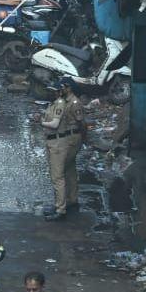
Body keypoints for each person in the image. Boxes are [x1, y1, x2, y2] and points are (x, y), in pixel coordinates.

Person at [40, 77, 84, 221]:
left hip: (70, 137)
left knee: (59, 173)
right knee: (69, 170)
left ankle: (61, 207)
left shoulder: (73, 102)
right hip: (66, 137)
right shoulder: (62, 101)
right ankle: (71, 200)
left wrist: (82, 140)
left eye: (63, 87)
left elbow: (80, 123)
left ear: (68, 88)